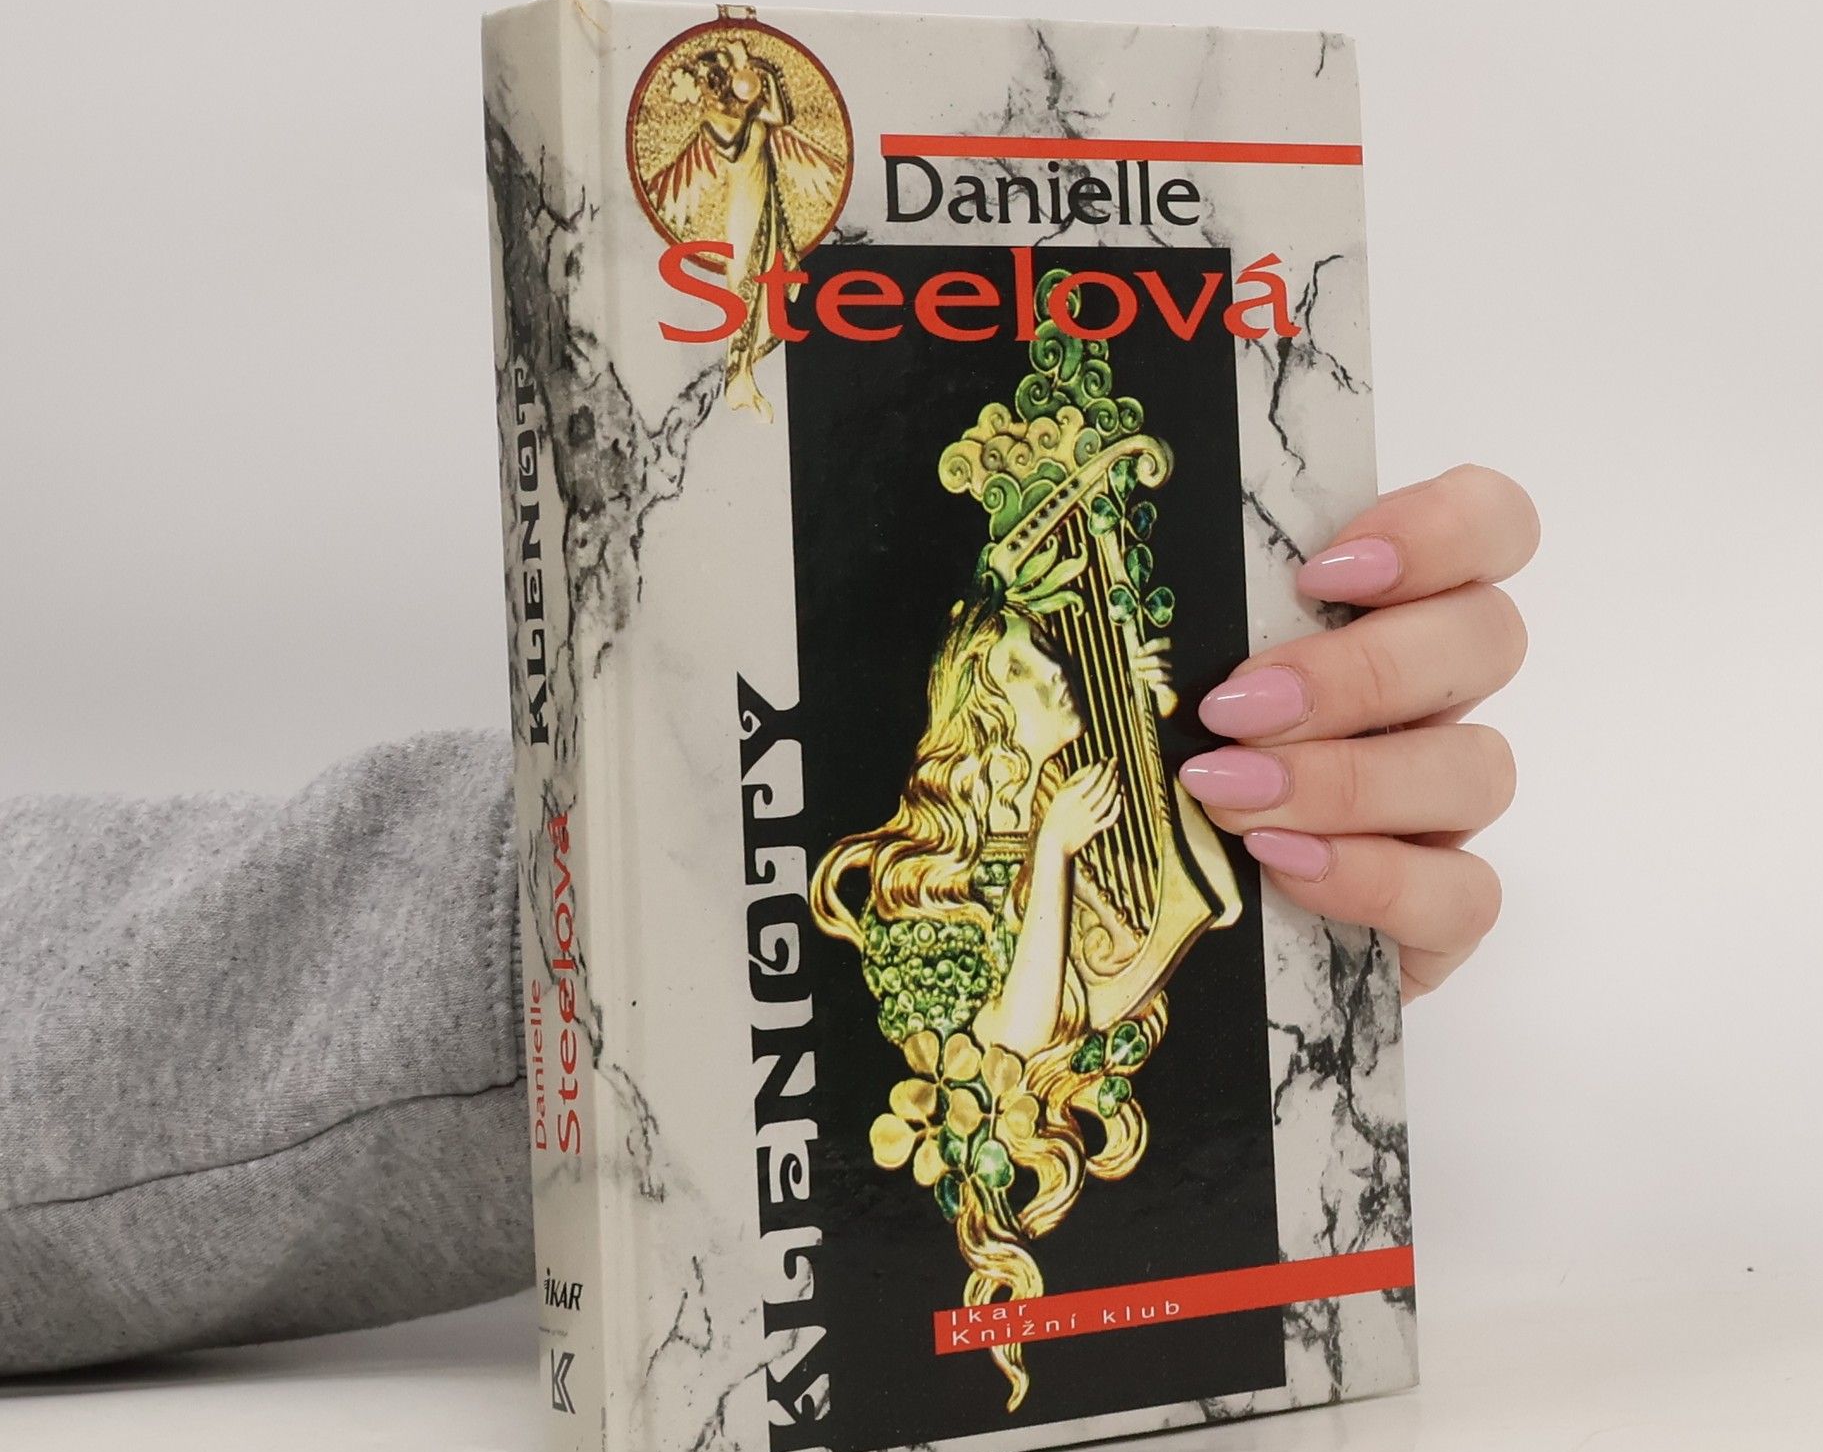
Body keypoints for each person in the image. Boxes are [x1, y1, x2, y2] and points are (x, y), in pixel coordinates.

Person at [0, 465, 1537, 1377]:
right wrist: (625, 928)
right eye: (1023, 712)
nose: (1057, 735)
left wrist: (1287, 947)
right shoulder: (948, 898)